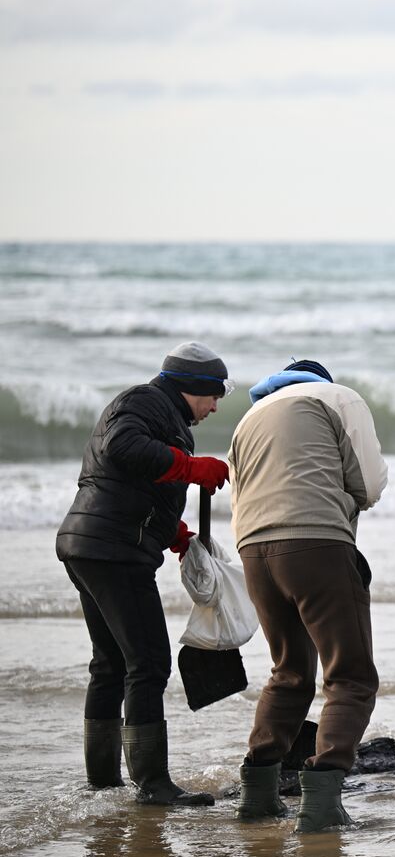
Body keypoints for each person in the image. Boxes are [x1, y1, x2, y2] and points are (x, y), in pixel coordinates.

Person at [56, 342, 232, 805]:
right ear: (191, 387)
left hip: (93, 542)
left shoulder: (161, 414)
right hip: (115, 550)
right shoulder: (144, 402)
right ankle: (152, 784)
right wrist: (192, 467)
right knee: (148, 663)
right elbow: (123, 448)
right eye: (214, 394)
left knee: (110, 664)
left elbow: (125, 484)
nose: (216, 405)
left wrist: (174, 534)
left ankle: (102, 782)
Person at [227, 359, 388, 832]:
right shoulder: (338, 398)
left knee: (289, 672)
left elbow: (237, 498)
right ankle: (321, 805)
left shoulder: (247, 419)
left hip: (253, 551)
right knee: (351, 677)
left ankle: (257, 795)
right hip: (316, 544)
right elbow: (369, 484)